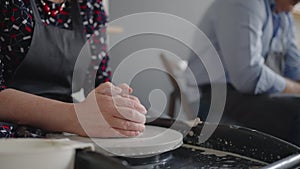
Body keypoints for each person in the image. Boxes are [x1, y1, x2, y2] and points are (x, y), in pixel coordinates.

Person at [0, 0, 147, 138]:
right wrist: (76, 116)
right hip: (11, 132)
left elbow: (99, 79)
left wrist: (112, 100)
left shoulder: (90, 6)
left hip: (65, 131)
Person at [187, 0, 300, 146]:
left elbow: (294, 70)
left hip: (248, 94)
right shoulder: (243, 3)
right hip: (215, 96)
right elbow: (248, 77)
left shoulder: (284, 15)